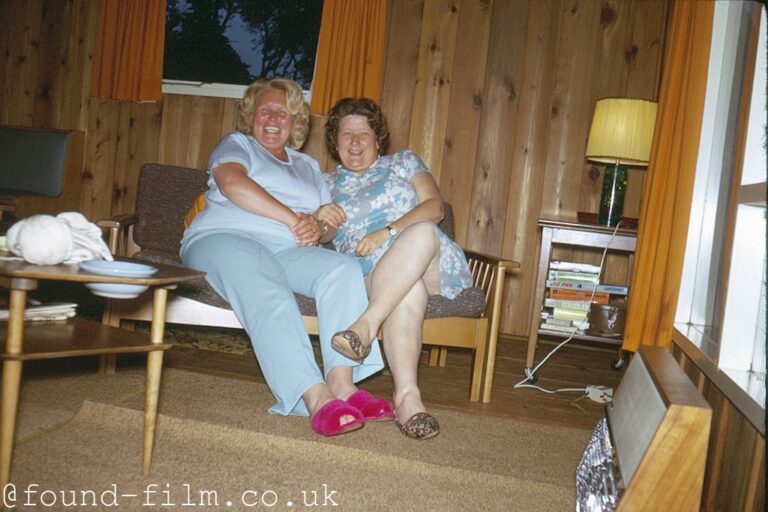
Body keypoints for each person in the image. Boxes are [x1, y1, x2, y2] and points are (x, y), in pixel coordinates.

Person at [180, 79, 392, 437]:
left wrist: (320, 226)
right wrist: (295, 219)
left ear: (295, 122)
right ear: (251, 116)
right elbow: (232, 185)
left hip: (288, 248)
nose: (274, 117)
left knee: (342, 269)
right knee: (266, 281)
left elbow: (325, 231)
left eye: (284, 112)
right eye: (266, 109)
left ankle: (342, 384)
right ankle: (314, 396)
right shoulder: (238, 144)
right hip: (225, 237)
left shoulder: (307, 166)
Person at [319, 97, 474, 440]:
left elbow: (434, 208)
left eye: (364, 133)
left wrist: (386, 232)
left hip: (428, 256)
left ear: (378, 139)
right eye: (347, 135)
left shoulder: (404, 162)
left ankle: (366, 325)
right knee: (409, 290)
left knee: (419, 231)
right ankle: (408, 399)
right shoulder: (325, 184)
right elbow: (324, 235)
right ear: (335, 141)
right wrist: (321, 220)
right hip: (372, 274)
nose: (356, 142)